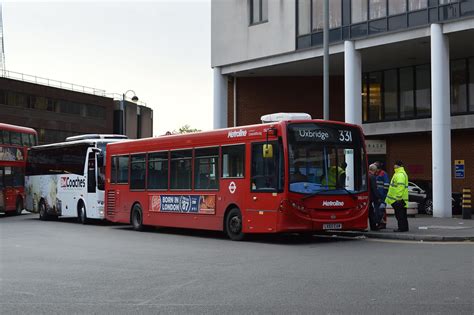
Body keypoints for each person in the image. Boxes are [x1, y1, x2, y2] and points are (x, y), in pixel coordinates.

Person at [385, 160, 409, 232]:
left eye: (395, 165)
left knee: (400, 215)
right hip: (401, 199)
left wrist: (398, 198)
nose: (393, 166)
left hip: (398, 199)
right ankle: (404, 227)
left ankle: (401, 228)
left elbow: (400, 187)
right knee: (402, 215)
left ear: (397, 166)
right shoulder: (401, 173)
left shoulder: (399, 174)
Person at [374, 162, 390, 229]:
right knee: (377, 210)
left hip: (382, 195)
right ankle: (379, 222)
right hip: (377, 195)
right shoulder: (375, 173)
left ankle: (383, 223)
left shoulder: (383, 174)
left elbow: (386, 185)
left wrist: (383, 195)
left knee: (381, 210)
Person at [368, 164, 382, 231]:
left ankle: (373, 226)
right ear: (374, 170)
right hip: (372, 197)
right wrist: (378, 197)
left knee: (370, 212)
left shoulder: (366, 175)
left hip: (367, 196)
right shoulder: (372, 177)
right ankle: (374, 226)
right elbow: (374, 188)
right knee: (372, 213)